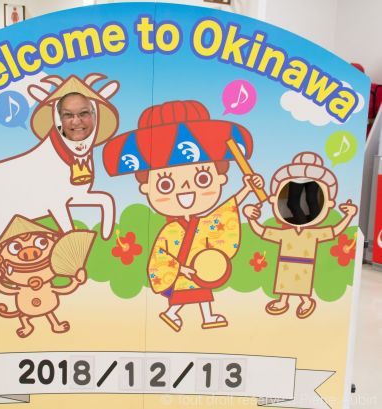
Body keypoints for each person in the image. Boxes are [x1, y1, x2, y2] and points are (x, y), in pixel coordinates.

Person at [103, 100, 263, 332]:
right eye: (166, 184)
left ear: (221, 178)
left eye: (202, 179)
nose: (186, 190)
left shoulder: (203, 223)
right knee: (184, 297)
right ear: (146, 187)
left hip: (197, 269)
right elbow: (160, 256)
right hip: (182, 272)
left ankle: (200, 316)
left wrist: (247, 188)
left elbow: (224, 212)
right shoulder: (170, 230)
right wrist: (179, 268)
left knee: (202, 294)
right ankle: (173, 314)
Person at [243, 152, 357, 319]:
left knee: (298, 201)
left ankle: (302, 300)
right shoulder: (314, 166)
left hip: (302, 178)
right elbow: (263, 232)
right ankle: (286, 301)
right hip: (311, 176)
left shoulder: (295, 168)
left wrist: (348, 216)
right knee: (311, 200)